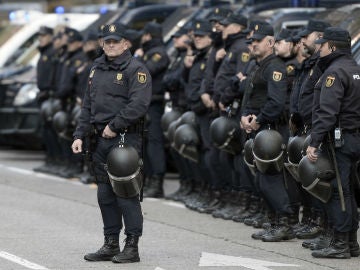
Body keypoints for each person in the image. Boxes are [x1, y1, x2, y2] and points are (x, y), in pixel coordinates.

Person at [72, 23, 152, 263]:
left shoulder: (136, 69)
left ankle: (132, 246)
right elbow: (88, 105)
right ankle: (110, 243)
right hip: (99, 140)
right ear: (101, 43)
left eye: (115, 41)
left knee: (126, 194)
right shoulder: (97, 68)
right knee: (105, 195)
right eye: (107, 41)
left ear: (126, 43)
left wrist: (113, 126)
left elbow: (138, 104)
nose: (111, 45)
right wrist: (79, 134)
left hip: (124, 139)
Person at [306, 27, 360, 259]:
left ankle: (339, 243)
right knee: (348, 191)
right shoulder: (354, 68)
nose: (319, 48)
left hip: (339, 139)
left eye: (323, 44)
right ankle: (350, 242)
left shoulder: (334, 73)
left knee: (338, 191)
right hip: (353, 137)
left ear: (333, 47)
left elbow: (327, 112)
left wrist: (314, 141)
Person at [135, 22, 170, 198]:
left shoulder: (158, 53)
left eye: (144, 35)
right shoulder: (149, 53)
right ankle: (148, 179)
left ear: (148, 36)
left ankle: (157, 182)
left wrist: (139, 59)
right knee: (145, 143)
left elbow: (144, 72)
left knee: (155, 143)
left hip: (154, 103)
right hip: (144, 103)